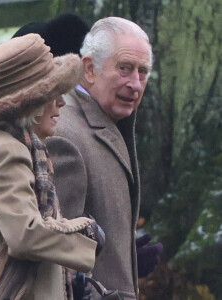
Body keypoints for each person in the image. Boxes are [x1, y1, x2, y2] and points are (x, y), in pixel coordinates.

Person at [0, 34, 105, 300]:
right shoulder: (6, 152)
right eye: (53, 94)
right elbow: (26, 235)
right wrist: (86, 236)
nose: (61, 103)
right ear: (31, 102)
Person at [46, 17, 163, 300]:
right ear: (89, 69)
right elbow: (60, 261)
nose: (135, 84)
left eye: (143, 72)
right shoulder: (65, 135)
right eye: (124, 69)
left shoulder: (103, 119)